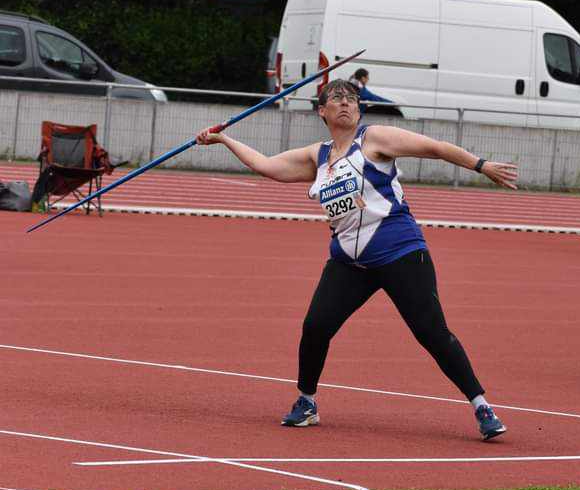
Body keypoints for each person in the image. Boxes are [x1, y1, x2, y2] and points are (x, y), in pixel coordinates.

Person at [197, 78, 518, 440]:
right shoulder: (316, 157)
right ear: (323, 111)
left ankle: (481, 406)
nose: (347, 103)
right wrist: (224, 140)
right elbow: (267, 166)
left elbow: (435, 147)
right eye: (337, 98)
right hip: (350, 262)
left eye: (352, 98)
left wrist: (481, 165)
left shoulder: (375, 139)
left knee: (431, 333)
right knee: (316, 327)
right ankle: (307, 402)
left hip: (400, 252)